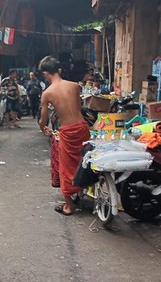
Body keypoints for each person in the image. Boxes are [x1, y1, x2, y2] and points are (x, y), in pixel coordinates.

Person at [39, 56, 90, 216]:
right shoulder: (75, 86)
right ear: (59, 70)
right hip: (82, 128)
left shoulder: (47, 93)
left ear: (46, 73)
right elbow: (78, 107)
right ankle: (84, 189)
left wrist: (43, 128)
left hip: (67, 131)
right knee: (84, 161)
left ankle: (68, 206)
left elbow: (44, 118)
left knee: (66, 167)